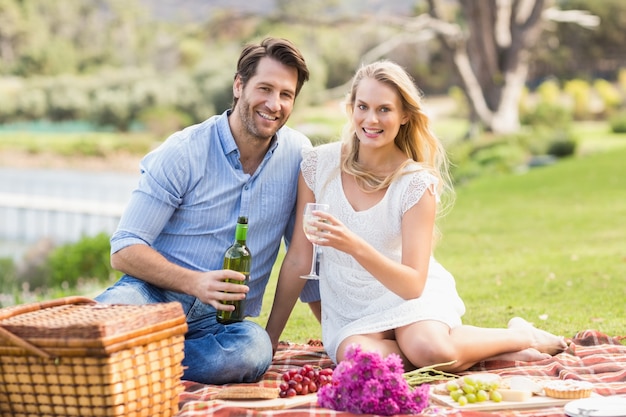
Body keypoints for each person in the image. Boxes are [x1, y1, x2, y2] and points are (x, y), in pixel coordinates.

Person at [265, 60, 568, 372]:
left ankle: (519, 336)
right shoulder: (318, 166)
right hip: (351, 308)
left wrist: (352, 244)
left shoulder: (415, 183)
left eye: (384, 109)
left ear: (405, 116)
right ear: (350, 108)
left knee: (431, 351)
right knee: (362, 362)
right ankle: (479, 352)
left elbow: (412, 285)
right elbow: (300, 259)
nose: (371, 119)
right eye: (363, 107)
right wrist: (270, 339)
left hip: (409, 299)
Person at [95, 37, 321, 385]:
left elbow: (299, 257)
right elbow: (124, 249)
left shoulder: (299, 157)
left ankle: (130, 361)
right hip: (153, 296)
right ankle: (130, 353)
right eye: (265, 88)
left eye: (286, 94)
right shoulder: (184, 152)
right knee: (106, 319)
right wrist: (195, 282)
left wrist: (273, 342)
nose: (274, 104)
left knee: (252, 351)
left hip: (224, 323)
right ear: (238, 85)